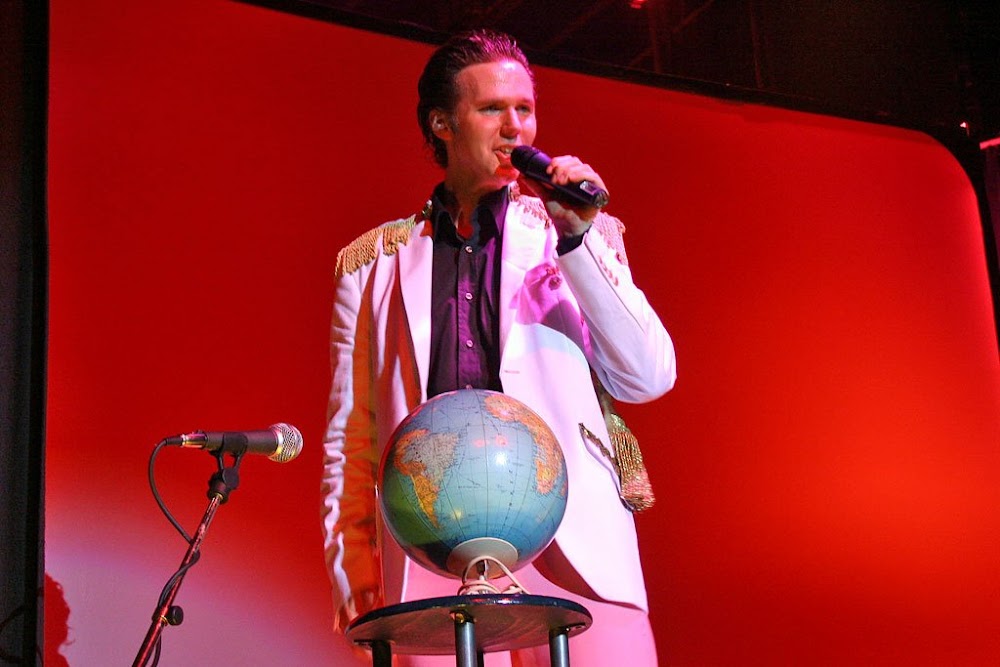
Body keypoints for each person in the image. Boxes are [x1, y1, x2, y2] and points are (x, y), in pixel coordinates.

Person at [321, 29, 676, 666]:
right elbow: (352, 437)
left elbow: (648, 377)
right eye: (492, 109)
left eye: (525, 109)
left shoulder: (573, 234)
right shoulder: (374, 264)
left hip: (571, 545)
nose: (516, 128)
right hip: (431, 548)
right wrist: (355, 576)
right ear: (442, 124)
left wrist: (578, 241)